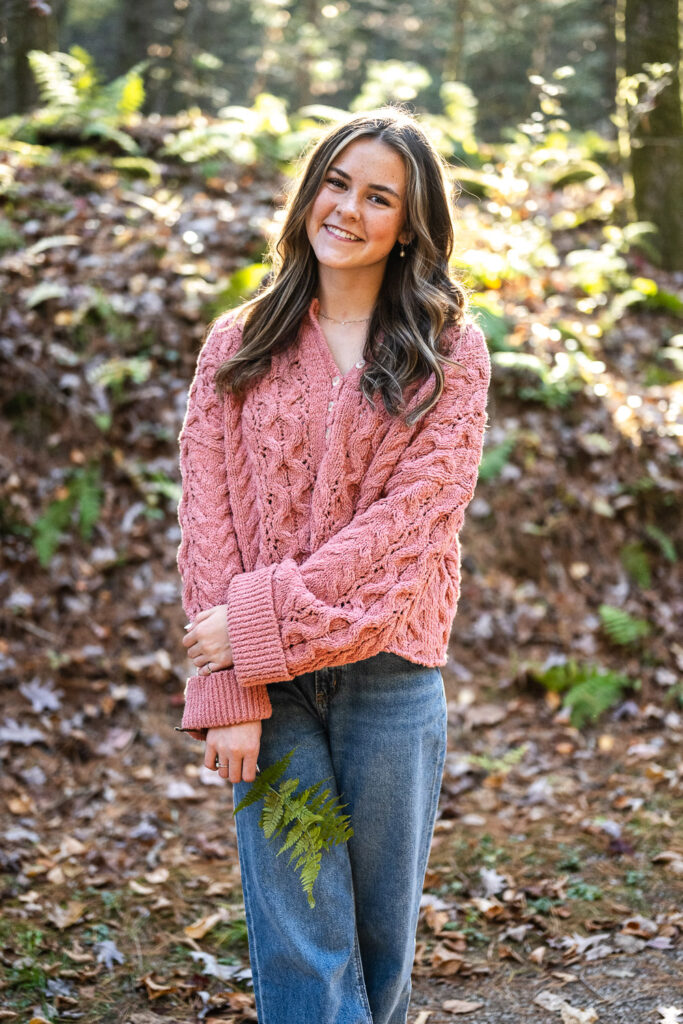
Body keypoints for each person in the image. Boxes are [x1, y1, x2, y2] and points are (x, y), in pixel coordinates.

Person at [177, 105, 491, 1024]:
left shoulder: (447, 355)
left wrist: (260, 623)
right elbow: (208, 523)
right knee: (301, 948)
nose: (347, 208)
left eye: (378, 196)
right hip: (268, 693)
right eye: (335, 182)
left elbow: (412, 524)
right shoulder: (236, 345)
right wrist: (231, 684)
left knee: (381, 947)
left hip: (390, 682)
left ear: (409, 225)